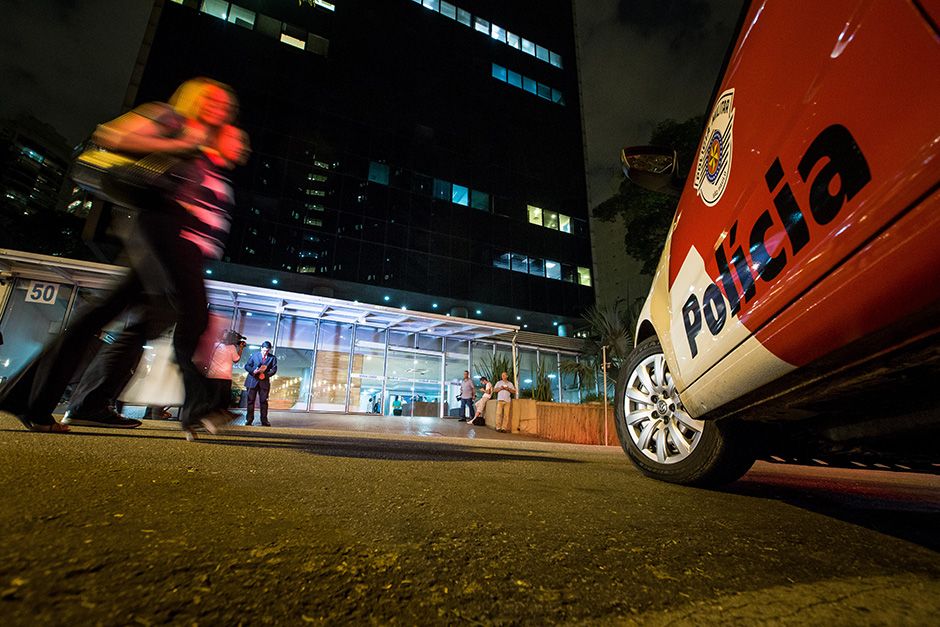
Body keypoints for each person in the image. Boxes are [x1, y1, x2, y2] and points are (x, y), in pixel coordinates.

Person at [0, 78, 238, 434]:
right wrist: (183, 141)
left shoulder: (206, 145)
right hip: (159, 228)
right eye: (212, 100)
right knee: (189, 313)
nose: (220, 109)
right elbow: (113, 136)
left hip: (170, 236)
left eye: (225, 105)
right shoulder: (171, 119)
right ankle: (204, 405)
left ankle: (57, 401)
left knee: (113, 317)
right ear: (192, 98)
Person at [244, 341, 277, 426]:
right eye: (264, 350)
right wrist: (253, 371)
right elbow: (247, 366)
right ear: (261, 348)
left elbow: (274, 370)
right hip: (252, 381)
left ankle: (264, 420)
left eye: (267, 351)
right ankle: (249, 419)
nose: (265, 352)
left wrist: (265, 375)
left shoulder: (272, 358)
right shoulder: (254, 355)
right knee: (250, 401)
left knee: (263, 401)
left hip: (264, 382)